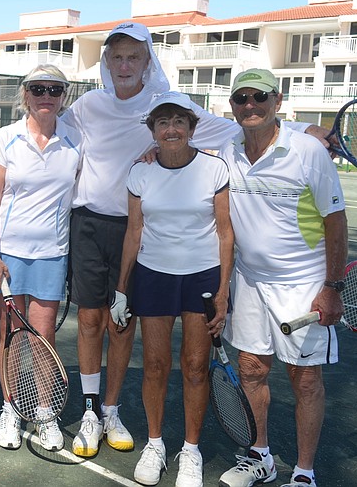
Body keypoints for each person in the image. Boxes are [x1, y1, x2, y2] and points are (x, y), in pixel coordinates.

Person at [61, 21, 333, 459]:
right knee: (91, 322)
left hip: (142, 233)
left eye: (134, 57)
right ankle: (91, 412)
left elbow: (236, 126)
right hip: (91, 225)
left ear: (147, 61)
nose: (125, 65)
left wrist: (307, 129)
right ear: (107, 63)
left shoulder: (168, 103)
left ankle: (111, 409)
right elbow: (52, 129)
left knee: (122, 326)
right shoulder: (88, 104)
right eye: (117, 57)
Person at [217, 69, 347, 487]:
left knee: (305, 379)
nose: (250, 105)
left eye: (260, 97)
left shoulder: (307, 152)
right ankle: (261, 457)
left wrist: (332, 287)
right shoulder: (227, 149)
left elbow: (336, 221)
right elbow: (178, 131)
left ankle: (304, 473)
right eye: (242, 98)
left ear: (277, 100)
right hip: (249, 281)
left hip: (303, 284)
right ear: (232, 105)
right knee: (251, 367)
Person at [114, 91, 233, 487]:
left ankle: (191, 451)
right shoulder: (140, 173)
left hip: (202, 277)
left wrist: (223, 290)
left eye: (179, 121)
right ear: (153, 131)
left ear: (192, 128)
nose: (171, 129)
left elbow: (225, 233)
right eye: (163, 122)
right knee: (155, 365)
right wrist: (122, 289)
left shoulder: (214, 169)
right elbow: (134, 232)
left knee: (196, 366)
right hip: (154, 276)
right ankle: (155, 444)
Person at [0, 64, 82, 452]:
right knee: (9, 335)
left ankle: (44, 411)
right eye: (38, 89)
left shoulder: (76, 141)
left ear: (63, 96)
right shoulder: (5, 139)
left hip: (52, 255)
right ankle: (10, 408)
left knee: (44, 336)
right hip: (9, 254)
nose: (46, 96)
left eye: (54, 90)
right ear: (26, 94)